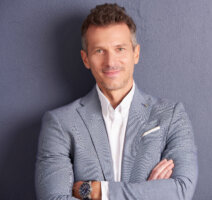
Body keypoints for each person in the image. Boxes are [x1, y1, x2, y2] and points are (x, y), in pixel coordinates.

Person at [35, 3, 198, 200]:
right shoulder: (60, 123)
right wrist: (149, 194)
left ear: (135, 53)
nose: (111, 62)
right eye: (99, 51)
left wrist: (98, 191)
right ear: (86, 59)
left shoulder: (171, 115)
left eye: (119, 49)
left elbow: (181, 190)